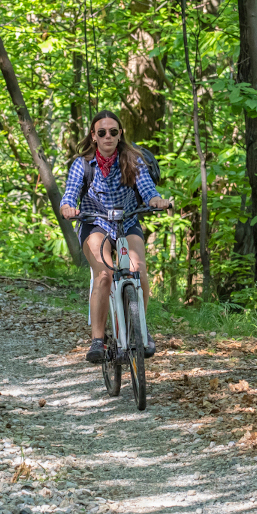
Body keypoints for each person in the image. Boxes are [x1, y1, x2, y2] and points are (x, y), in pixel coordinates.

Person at [60, 110, 171, 364]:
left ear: (120, 134)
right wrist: (68, 207)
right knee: (104, 275)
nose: (108, 136)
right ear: (94, 136)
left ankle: (139, 331)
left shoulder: (133, 160)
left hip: (127, 221)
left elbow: (147, 189)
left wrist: (157, 201)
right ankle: (98, 341)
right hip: (94, 223)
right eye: (102, 132)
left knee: (139, 271)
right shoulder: (82, 164)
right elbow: (70, 193)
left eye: (113, 131)